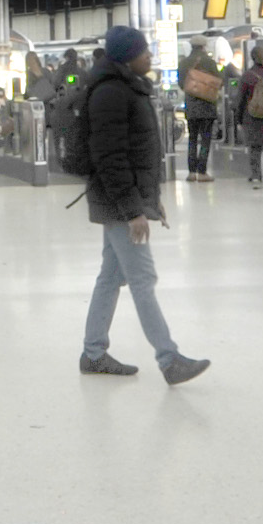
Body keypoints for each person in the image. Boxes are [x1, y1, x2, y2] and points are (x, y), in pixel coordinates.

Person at [78, 24, 206, 384]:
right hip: (119, 202)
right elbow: (111, 158)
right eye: (142, 51)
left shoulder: (127, 88)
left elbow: (136, 153)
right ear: (125, 56)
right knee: (142, 277)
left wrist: (151, 201)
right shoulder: (110, 93)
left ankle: (93, 352)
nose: (149, 55)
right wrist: (133, 209)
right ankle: (169, 359)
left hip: (124, 199)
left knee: (112, 275)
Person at [236, 40, 263, 191]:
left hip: (252, 115)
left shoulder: (248, 76)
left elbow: (241, 99)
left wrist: (239, 119)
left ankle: (256, 176)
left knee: (255, 147)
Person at [178, 36, 222, 180]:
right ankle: (202, 172)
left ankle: (191, 172)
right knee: (205, 139)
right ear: (204, 47)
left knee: (192, 138)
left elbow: (181, 84)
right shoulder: (209, 62)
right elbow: (218, 82)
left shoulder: (184, 62)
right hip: (207, 105)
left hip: (191, 105)